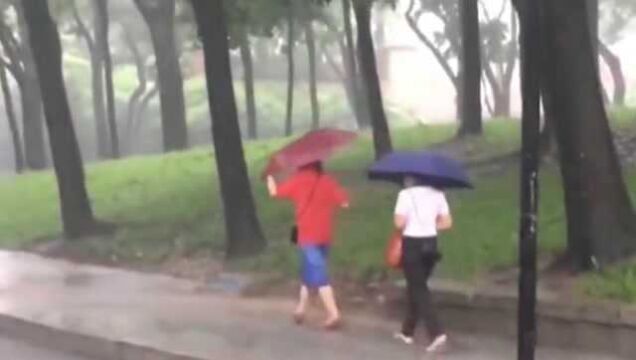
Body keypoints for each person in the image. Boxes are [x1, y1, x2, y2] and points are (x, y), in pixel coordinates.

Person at [267, 162, 349, 329]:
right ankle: (301, 309)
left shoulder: (298, 180)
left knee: (318, 274)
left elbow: (274, 193)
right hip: (325, 235)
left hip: (305, 236)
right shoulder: (327, 180)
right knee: (309, 271)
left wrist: (269, 176)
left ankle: (333, 314)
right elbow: (344, 203)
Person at [393, 176, 451, 353]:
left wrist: (411, 220)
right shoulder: (438, 194)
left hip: (412, 244)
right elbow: (447, 223)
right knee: (416, 285)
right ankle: (407, 331)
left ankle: (436, 333)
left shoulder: (405, 195)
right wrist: (430, 224)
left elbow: (399, 223)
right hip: (431, 244)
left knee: (418, 288)